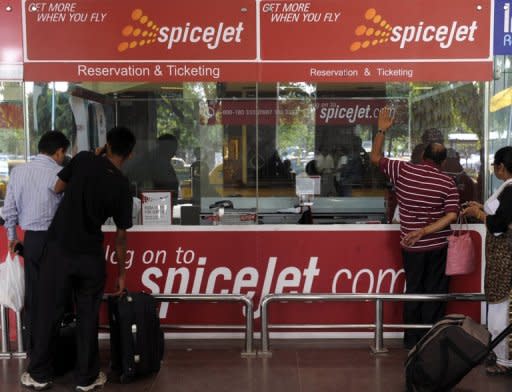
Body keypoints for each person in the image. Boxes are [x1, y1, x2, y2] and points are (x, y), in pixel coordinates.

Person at [20, 126, 136, 391]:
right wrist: (120, 274)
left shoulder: (83, 159)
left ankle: (39, 374)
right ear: (130, 154)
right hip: (90, 257)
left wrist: (93, 156)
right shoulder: (122, 185)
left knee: (49, 312)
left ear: (106, 144)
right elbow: (120, 237)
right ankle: (85, 378)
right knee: (87, 316)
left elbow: (58, 187)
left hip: (59, 251)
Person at [371, 108, 459, 349]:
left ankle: (411, 340)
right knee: (435, 293)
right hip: (438, 246)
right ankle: (430, 339)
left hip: (411, 247)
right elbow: (452, 214)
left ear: (423, 157)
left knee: (414, 290)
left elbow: (375, 157)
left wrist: (381, 129)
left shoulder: (403, 170)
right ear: (443, 162)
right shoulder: (447, 182)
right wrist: (427, 231)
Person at [2, 130, 70, 355]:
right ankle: (52, 350)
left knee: (34, 295)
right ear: (59, 152)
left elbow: (9, 210)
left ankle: (33, 349)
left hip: (30, 240)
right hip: (55, 241)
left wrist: (12, 238)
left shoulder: (18, 172)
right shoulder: (61, 174)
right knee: (56, 296)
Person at [462, 146, 512, 375]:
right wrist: (482, 209)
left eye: (494, 165)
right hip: (501, 258)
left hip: (505, 259)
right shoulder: (507, 188)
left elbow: (499, 225)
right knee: (498, 306)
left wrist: (479, 214)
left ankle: (505, 359)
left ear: (501, 167)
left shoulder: (511, 190)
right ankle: (501, 353)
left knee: (501, 307)